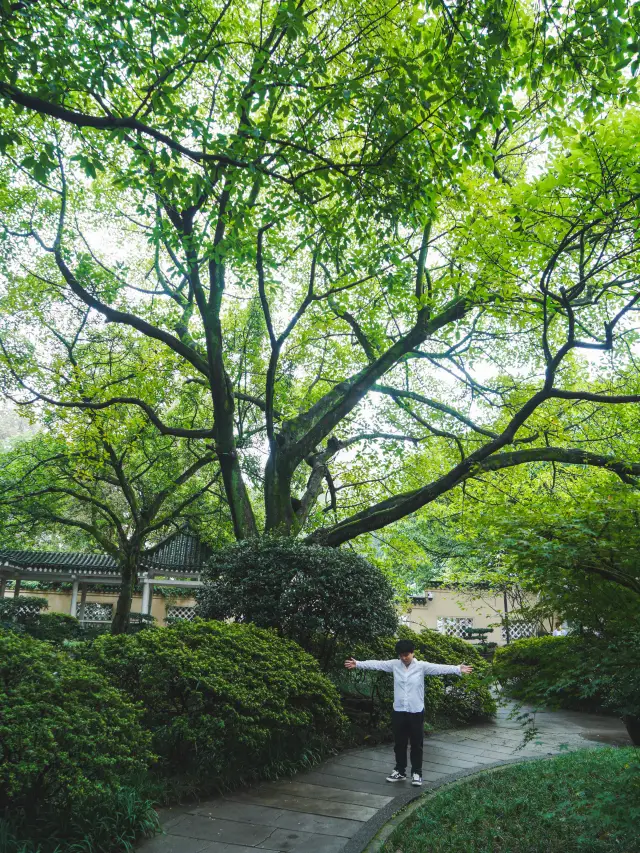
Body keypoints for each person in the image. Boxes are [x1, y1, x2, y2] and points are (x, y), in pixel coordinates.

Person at [345, 639, 473, 787]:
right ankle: (400, 771)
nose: (404, 658)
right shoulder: (394, 665)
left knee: (416, 744)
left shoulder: (421, 666)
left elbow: (439, 668)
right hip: (399, 710)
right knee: (399, 743)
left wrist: (457, 668)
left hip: (416, 711)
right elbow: (377, 664)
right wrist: (358, 664)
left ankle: (417, 773)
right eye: (401, 655)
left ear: (412, 653)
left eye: (406, 654)